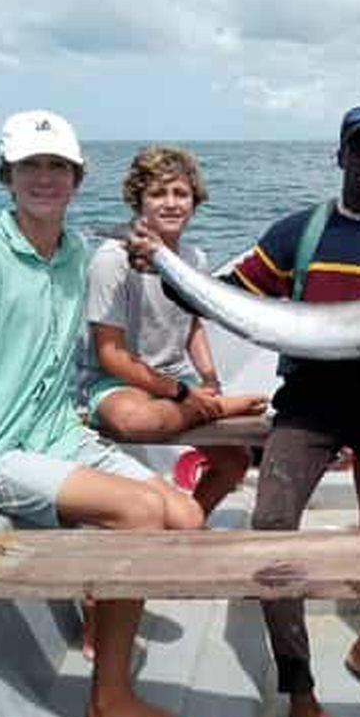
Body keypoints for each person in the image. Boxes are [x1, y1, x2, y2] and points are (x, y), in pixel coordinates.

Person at [137, 104, 360, 717]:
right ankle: (301, 691)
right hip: (309, 406)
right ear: (340, 156)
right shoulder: (299, 233)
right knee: (270, 530)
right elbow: (223, 296)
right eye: (358, 149)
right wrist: (164, 265)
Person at [0, 109, 205, 717]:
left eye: (57, 167)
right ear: (7, 174)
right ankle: (109, 702)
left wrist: (148, 253)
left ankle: (95, 592)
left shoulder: (78, 252)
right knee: (137, 513)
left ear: (77, 179)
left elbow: (129, 263)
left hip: (59, 431)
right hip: (0, 448)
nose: (44, 178)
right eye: (30, 166)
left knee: (184, 517)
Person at [77, 145, 267, 518]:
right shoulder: (111, 259)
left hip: (179, 379)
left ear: (195, 201)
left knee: (235, 462)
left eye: (180, 193)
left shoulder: (195, 259)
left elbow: (191, 322)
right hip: (117, 381)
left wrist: (210, 378)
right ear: (138, 202)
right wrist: (187, 395)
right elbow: (110, 355)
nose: (170, 203)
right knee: (135, 422)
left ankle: (187, 523)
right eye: (157, 193)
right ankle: (215, 410)